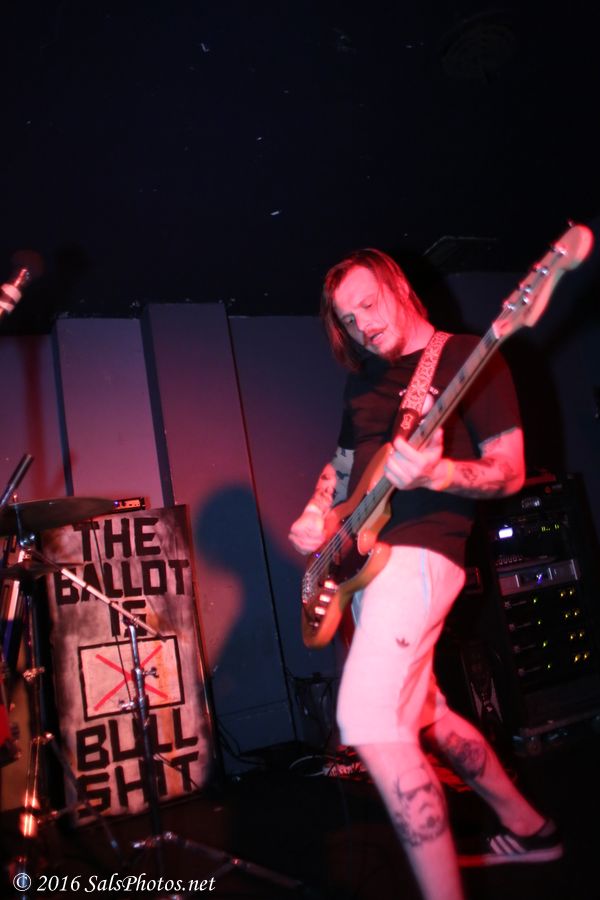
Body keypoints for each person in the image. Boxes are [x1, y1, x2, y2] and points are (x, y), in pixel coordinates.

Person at [288, 249, 563, 900]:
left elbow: (509, 471)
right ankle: (531, 828)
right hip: (365, 567)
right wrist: (315, 512)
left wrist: (437, 471)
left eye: (368, 304)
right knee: (428, 713)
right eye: (347, 319)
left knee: (367, 717)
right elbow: (342, 468)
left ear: (401, 287)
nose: (361, 325)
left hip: (421, 555)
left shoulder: (468, 355)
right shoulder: (362, 384)